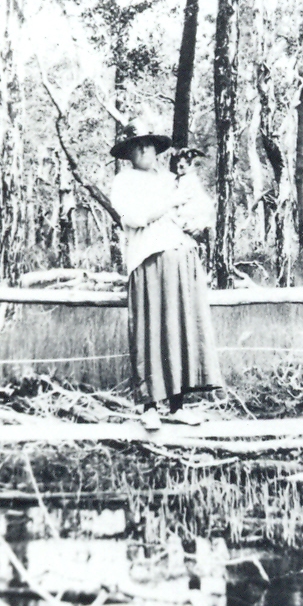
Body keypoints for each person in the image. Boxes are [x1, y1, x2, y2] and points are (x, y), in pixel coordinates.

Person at [110, 117, 223, 431]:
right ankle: (150, 407)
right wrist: (169, 202)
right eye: (137, 146)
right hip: (148, 260)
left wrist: (196, 221)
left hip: (180, 256)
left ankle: (178, 406)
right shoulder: (124, 181)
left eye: (149, 145)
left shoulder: (170, 179)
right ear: (128, 152)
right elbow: (136, 217)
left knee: (180, 329)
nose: (145, 151)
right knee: (151, 330)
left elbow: (194, 210)